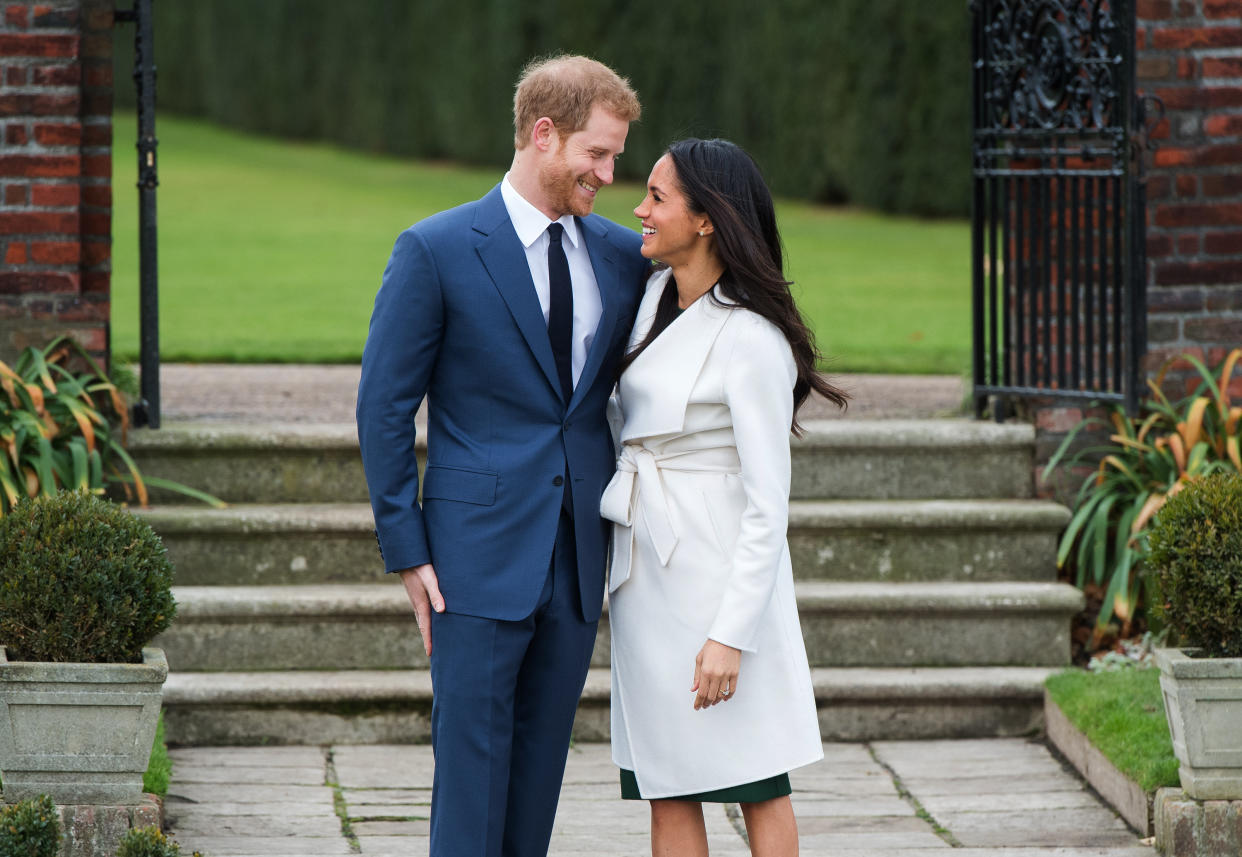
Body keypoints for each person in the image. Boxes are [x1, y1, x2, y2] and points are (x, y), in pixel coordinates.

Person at [356, 55, 649, 857]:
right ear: (544, 134)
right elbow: (383, 407)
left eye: (618, 157)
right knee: (471, 780)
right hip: (472, 560)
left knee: (538, 780)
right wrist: (406, 549)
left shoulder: (624, 257)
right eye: (598, 153)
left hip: (578, 555)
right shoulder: (436, 248)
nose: (609, 172)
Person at [600, 138, 848, 856]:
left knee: (755, 777)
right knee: (665, 779)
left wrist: (730, 634)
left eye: (657, 197)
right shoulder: (649, 297)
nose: (639, 211)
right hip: (647, 570)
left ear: (706, 219)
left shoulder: (751, 338)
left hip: (719, 579)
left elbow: (770, 504)